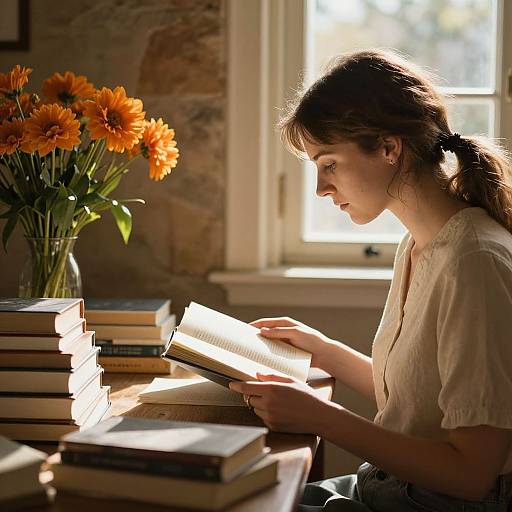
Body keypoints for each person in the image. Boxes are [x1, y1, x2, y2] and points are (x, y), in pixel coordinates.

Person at [228, 49, 512, 511]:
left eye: (329, 163)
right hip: (389, 488)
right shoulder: (421, 243)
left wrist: (323, 417)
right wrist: (324, 350)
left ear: (388, 148)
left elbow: (471, 474)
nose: (321, 188)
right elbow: (421, 403)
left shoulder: (475, 263)